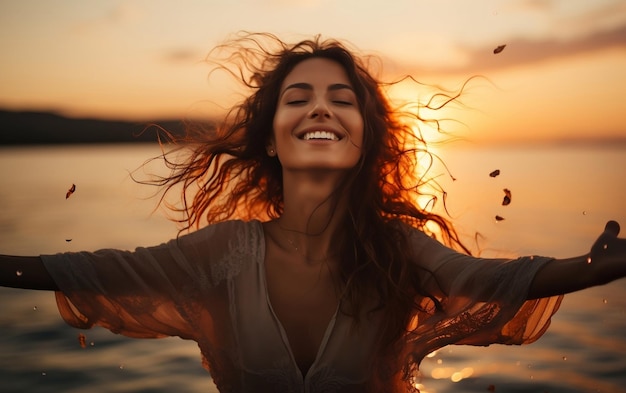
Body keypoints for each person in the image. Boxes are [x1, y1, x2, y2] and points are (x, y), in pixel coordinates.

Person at [1, 32, 625, 393]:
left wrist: (588, 269)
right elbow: (91, 271)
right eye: (298, 98)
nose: (321, 109)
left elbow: (491, 282)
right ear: (272, 138)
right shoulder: (220, 255)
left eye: (341, 100)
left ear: (365, 137)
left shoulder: (398, 249)